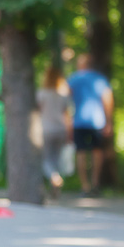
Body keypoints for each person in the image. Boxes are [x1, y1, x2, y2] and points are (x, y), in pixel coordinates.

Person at [68, 54, 113, 197]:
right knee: (97, 152)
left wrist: (67, 121)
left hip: (78, 121)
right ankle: (95, 184)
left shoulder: (73, 79)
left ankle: (85, 186)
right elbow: (107, 100)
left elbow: (65, 100)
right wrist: (109, 121)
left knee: (81, 152)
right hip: (97, 121)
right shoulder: (99, 79)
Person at [38, 65, 74, 199]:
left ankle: (54, 177)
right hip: (61, 129)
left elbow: (38, 112)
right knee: (57, 158)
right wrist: (70, 132)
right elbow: (67, 116)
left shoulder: (41, 94)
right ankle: (55, 180)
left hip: (46, 129)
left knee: (46, 158)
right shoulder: (63, 96)